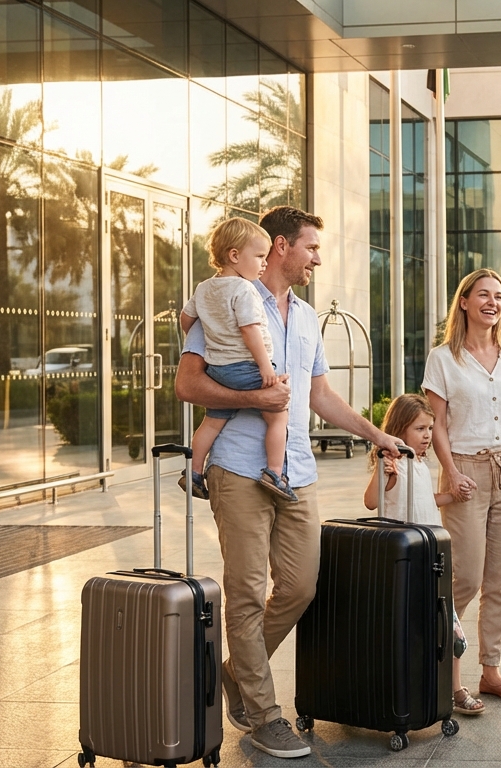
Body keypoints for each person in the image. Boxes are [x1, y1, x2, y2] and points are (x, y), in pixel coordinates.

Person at [175, 205, 402, 759]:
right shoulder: (224, 303)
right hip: (237, 467)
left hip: (295, 469)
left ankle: (235, 673)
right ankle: (263, 715)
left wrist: (378, 434)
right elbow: (187, 385)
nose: (317, 259)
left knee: (301, 586)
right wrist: (255, 399)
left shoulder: (305, 318)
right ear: (279, 246)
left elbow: (319, 395)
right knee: (247, 592)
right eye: (311, 248)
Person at [423, 268, 501, 704]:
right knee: (465, 578)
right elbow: (437, 424)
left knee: (499, 580)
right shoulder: (443, 358)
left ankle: (491, 672)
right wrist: (450, 471)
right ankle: (444, 672)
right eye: (483, 295)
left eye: (498, 296)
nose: (492, 302)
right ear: (464, 302)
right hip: (466, 472)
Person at [362, 393, 482, 716]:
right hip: (410, 560)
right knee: (436, 628)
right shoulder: (395, 465)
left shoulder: (420, 465)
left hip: (432, 558)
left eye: (430, 428)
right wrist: (385, 472)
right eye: (420, 428)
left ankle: (452, 687)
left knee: (449, 627)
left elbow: (424, 500)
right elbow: (371, 502)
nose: (428, 435)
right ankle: (453, 690)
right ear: (399, 429)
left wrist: (451, 497)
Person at [178, 217, 295, 503]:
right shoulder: (244, 289)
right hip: (248, 367)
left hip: (219, 370)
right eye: (258, 257)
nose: (264, 264)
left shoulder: (204, 288)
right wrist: (266, 367)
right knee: (278, 414)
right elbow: (250, 329)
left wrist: (214, 333)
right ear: (234, 256)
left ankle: (193, 472)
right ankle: (275, 473)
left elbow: (186, 319)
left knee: (212, 421)